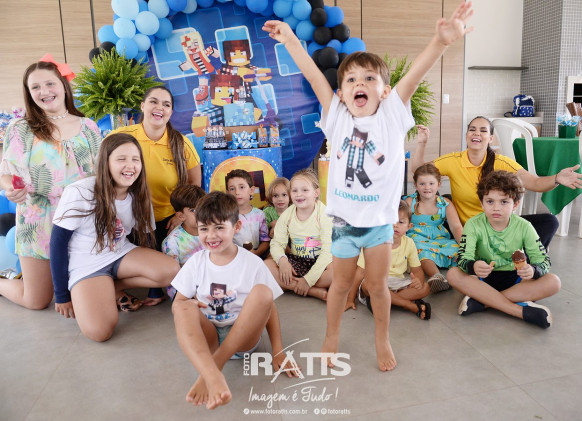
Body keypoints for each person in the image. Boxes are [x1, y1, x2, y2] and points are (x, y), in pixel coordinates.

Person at [263, 1, 473, 371]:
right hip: (343, 224)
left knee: (377, 287)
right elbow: (314, 77)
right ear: (341, 93)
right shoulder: (337, 116)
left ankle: (382, 337)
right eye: (351, 80)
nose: (360, 84)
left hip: (378, 225)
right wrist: (292, 40)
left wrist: (441, 42)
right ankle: (331, 335)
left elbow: (414, 78)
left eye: (369, 79)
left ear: (385, 90)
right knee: (341, 286)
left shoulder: (392, 114)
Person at [171, 191, 300, 410]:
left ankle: (213, 368)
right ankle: (211, 372)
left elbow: (269, 308)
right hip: (209, 337)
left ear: (236, 227)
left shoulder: (252, 263)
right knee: (182, 306)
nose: (211, 236)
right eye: (204, 229)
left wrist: (278, 350)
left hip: (243, 338)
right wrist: (189, 305)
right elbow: (178, 304)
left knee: (263, 293)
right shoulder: (196, 262)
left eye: (219, 227)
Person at [49, 133, 181, 341]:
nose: (130, 166)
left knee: (171, 270)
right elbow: (57, 243)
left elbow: (148, 237)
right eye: (121, 159)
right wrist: (61, 295)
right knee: (100, 332)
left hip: (120, 253)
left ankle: (110, 288)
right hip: (86, 263)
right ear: (106, 162)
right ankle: (91, 292)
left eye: (135, 159)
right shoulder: (80, 192)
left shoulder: (139, 195)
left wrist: (155, 290)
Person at [0, 59, 101, 309]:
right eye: (35, 87)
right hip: (37, 220)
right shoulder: (20, 129)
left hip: (81, 219)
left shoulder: (88, 127)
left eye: (49, 84)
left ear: (63, 86)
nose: (44, 92)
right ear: (29, 93)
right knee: (36, 300)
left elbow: (102, 174)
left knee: (83, 292)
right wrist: (11, 188)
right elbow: (6, 173)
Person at [410, 120, 582, 249]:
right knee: (445, 200)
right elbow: (420, 172)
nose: (477, 133)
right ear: (467, 135)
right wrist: (421, 143)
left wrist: (557, 178)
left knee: (549, 222)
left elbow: (534, 182)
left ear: (491, 138)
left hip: (498, 227)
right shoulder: (453, 160)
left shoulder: (501, 162)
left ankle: (527, 262)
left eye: (483, 130)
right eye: (472, 129)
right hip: (467, 230)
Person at [110, 86, 202, 305]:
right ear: (143, 106)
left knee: (172, 264)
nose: (159, 107)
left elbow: (194, 186)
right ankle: (115, 289)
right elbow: (103, 178)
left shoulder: (181, 143)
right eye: (153, 101)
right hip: (127, 218)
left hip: (166, 221)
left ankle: (155, 289)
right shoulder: (121, 137)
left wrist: (180, 216)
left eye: (166, 104)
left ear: (170, 112)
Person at [447, 171, 561, 328]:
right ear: (482, 203)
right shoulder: (473, 224)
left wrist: (533, 270)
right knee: (453, 274)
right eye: (490, 201)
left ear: (515, 204)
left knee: (554, 282)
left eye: (504, 202)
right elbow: (462, 258)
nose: (496, 208)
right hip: (483, 280)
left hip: (516, 281)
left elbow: (543, 261)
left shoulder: (524, 226)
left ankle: (483, 302)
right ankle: (519, 311)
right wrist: (473, 266)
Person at [351, 201, 431, 320]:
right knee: (368, 285)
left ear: (409, 227)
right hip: (375, 282)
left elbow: (417, 270)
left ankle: (384, 302)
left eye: (401, 222)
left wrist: (418, 281)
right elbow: (360, 272)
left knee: (425, 288)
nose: (395, 225)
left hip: (398, 283)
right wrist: (350, 298)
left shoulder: (409, 243)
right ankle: (409, 305)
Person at [265, 169, 333, 301]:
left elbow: (327, 252)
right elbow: (277, 243)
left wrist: (308, 280)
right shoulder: (287, 215)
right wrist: (283, 261)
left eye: (305, 190)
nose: (299, 194)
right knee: (266, 266)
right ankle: (312, 291)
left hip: (321, 263)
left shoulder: (324, 214)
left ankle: (300, 284)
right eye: (294, 190)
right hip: (297, 262)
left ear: (316, 193)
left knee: (339, 271)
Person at [404, 162, 463, 293]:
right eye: (422, 184)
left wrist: (465, 247)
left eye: (431, 183)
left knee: (457, 250)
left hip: (440, 239)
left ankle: (465, 277)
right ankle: (437, 277)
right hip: (417, 237)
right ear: (415, 185)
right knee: (421, 250)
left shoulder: (445, 203)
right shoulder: (410, 202)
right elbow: (401, 223)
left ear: (439, 184)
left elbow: (456, 227)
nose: (427, 187)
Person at [163, 184, 207, 300]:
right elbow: (174, 276)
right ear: (181, 216)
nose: (200, 213)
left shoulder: (211, 230)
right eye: (193, 210)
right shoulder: (172, 242)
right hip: (184, 289)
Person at [225, 169, 270, 257]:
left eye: (241, 187)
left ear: (251, 190)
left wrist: (255, 254)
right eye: (232, 189)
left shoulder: (259, 215)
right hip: (234, 257)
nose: (237, 192)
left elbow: (265, 241)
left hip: (257, 255)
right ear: (227, 193)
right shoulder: (226, 216)